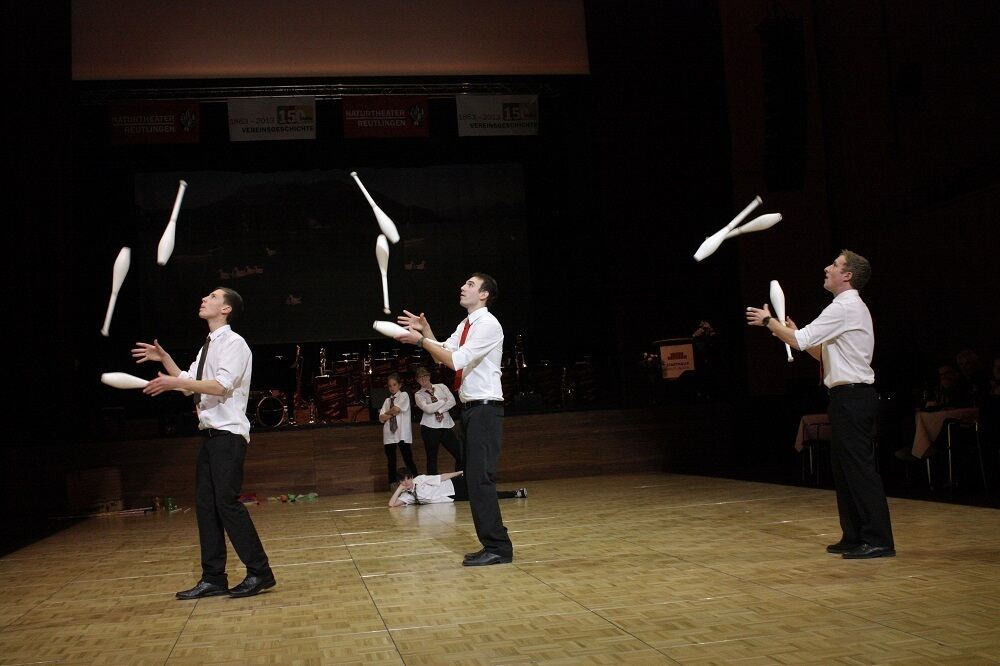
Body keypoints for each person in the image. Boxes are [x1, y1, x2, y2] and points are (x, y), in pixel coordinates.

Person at [746, 250, 895, 559]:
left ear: (847, 275)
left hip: (854, 398)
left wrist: (770, 323)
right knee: (844, 470)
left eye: (835, 265)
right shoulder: (843, 309)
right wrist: (787, 332)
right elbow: (817, 352)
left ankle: (879, 539)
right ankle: (855, 535)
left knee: (859, 470)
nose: (827, 268)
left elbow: (800, 341)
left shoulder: (845, 307)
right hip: (846, 399)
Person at [132, 287, 276, 598]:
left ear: (226, 309)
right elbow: (190, 385)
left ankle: (259, 572)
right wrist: (167, 361)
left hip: (228, 434)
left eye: (212, 297)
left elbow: (219, 386)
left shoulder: (234, 344)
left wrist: (176, 382)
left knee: (226, 503)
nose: (204, 299)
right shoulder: (208, 346)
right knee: (206, 508)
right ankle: (213, 577)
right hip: (211, 437)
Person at [395, 273, 514, 566]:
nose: (463, 287)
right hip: (472, 410)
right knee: (474, 480)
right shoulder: (466, 325)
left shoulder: (488, 324)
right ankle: (495, 543)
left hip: (486, 410)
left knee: (480, 479)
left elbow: (455, 362)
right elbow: (442, 354)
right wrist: (427, 331)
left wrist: (422, 339)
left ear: (484, 294)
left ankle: (498, 547)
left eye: (471, 285)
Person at [412, 365, 462, 474]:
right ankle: (433, 486)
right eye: (420, 378)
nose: (423, 379)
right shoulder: (418, 395)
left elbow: (452, 401)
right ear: (417, 381)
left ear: (429, 376)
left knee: (459, 454)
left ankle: (460, 478)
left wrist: (439, 410)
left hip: (445, 426)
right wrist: (442, 401)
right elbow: (428, 409)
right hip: (429, 428)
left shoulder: (441, 387)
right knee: (432, 458)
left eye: (425, 376)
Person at [388, 468, 525, 507]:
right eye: (403, 481)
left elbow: (441, 477)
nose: (407, 482)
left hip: (453, 485)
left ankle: (497, 479)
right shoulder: (407, 496)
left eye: (407, 479)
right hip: (453, 496)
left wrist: (458, 473)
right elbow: (391, 504)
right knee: (483, 496)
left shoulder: (420, 480)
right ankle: (515, 493)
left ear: (411, 477)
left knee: (482, 481)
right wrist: (400, 489)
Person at [378, 373, 418, 488]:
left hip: (402, 433)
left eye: (394, 385)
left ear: (399, 385)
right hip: (389, 434)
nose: (392, 387)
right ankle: (392, 483)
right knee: (391, 461)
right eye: (390, 385)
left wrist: (387, 413)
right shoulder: (387, 400)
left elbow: (397, 408)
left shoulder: (404, 395)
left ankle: (416, 481)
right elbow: (381, 419)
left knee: (408, 458)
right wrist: (391, 413)